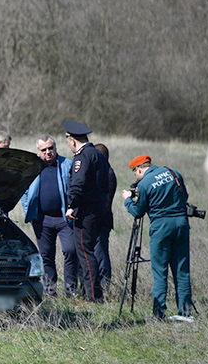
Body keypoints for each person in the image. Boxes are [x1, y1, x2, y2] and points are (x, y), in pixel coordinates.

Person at [122, 155, 194, 321]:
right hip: (181, 224)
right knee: (182, 270)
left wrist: (127, 200)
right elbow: (185, 196)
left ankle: (159, 314)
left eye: (135, 174)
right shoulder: (173, 172)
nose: (136, 177)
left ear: (139, 169)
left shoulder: (145, 184)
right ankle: (186, 312)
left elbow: (138, 212)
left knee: (160, 271)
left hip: (161, 227)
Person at [20, 134, 78, 297]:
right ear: (38, 151)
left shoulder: (68, 164)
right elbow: (24, 191)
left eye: (50, 148)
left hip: (64, 218)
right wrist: (28, 210)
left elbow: (77, 188)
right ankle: (50, 291)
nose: (48, 152)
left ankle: (70, 290)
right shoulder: (33, 167)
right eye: (43, 150)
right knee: (46, 255)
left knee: (70, 250)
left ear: (55, 148)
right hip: (41, 220)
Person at [63, 120, 107, 303]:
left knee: (85, 252)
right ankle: (89, 292)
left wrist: (72, 206)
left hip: (85, 212)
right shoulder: (98, 155)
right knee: (89, 251)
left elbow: (78, 185)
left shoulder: (82, 157)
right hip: (98, 209)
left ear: (72, 141)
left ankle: (92, 296)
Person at [93, 143, 117, 289]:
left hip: (101, 220)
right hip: (100, 219)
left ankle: (104, 286)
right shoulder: (105, 171)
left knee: (101, 255)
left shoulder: (107, 174)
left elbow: (106, 203)